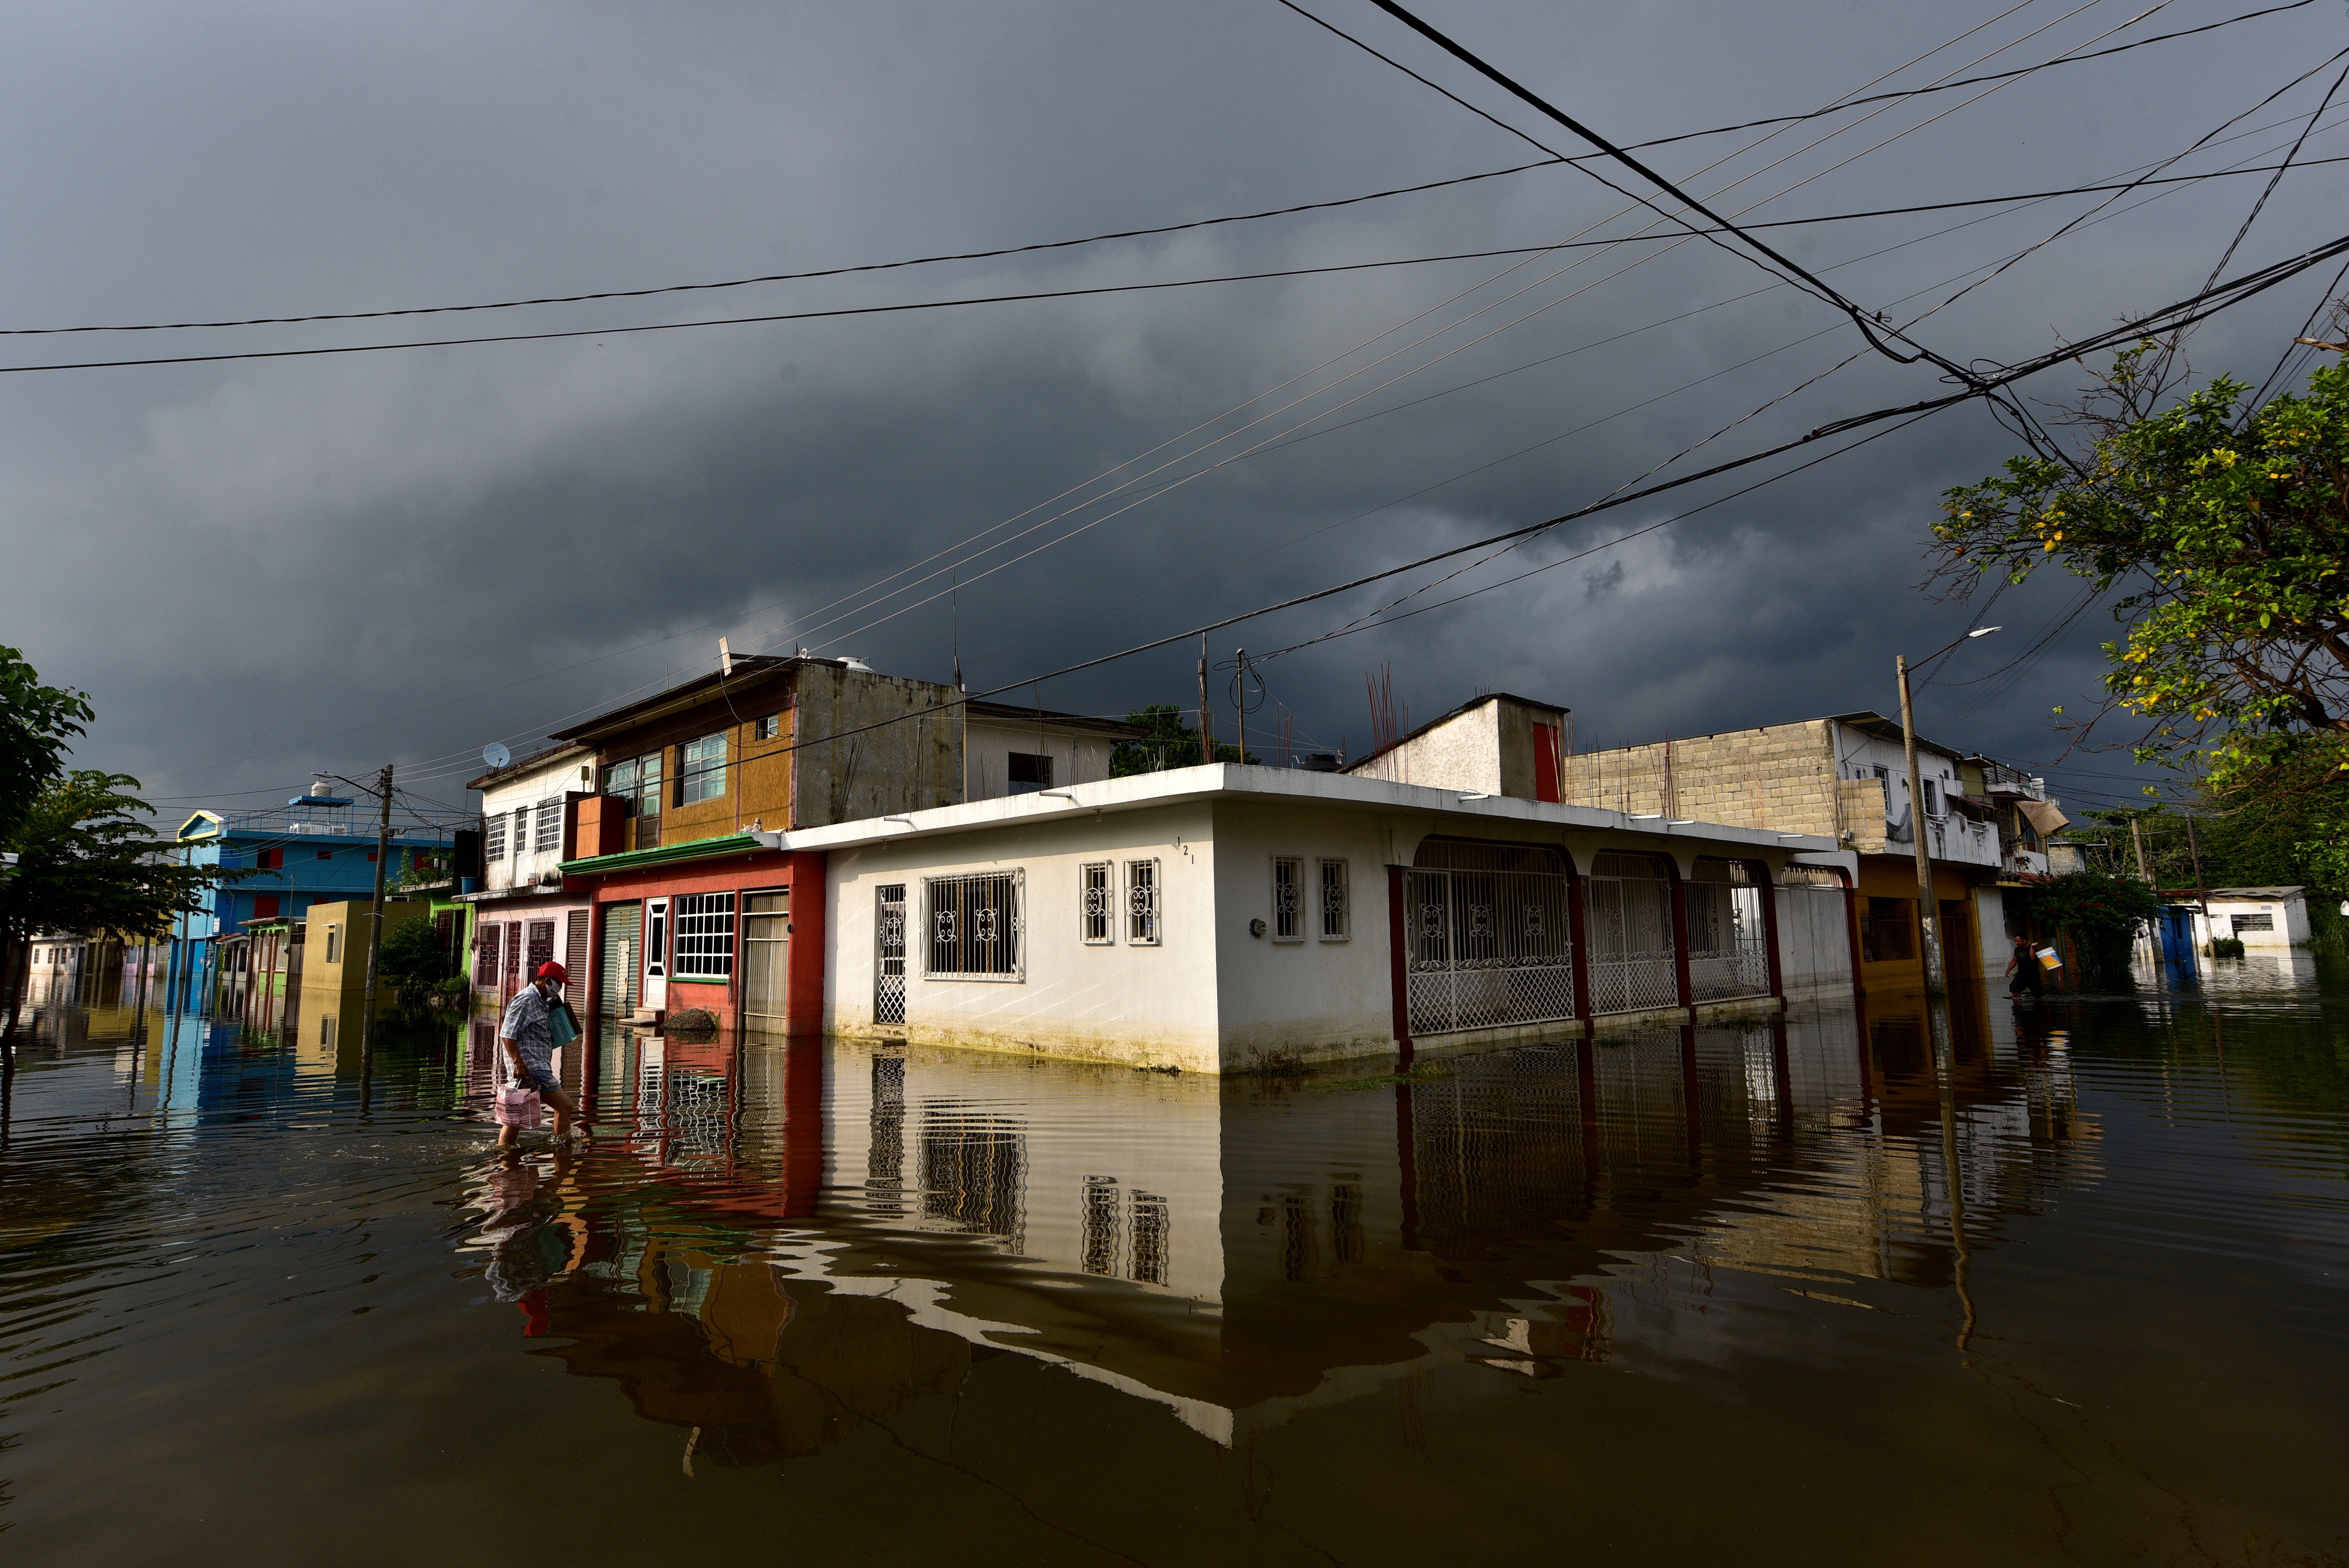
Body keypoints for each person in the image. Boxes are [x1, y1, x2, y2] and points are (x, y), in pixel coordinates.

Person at [497, 961, 583, 1147]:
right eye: (558, 983)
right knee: (565, 1106)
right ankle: (563, 1152)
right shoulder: (526, 1000)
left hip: (533, 1065)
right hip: (531, 1067)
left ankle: (504, 1154)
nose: (559, 988)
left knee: (515, 1117)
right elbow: (507, 1033)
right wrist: (518, 1063)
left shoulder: (541, 1002)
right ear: (546, 981)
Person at [2004, 934, 2044, 999]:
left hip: (2033, 975)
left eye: (2018, 941)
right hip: (2021, 975)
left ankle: (2039, 1005)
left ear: (2024, 941)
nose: (2016, 943)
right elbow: (2015, 960)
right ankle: (2019, 1003)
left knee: (2038, 994)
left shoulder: (2034, 948)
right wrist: (2009, 969)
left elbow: (2033, 958)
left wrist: (2032, 947)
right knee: (2014, 988)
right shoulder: (2017, 950)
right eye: (2015, 941)